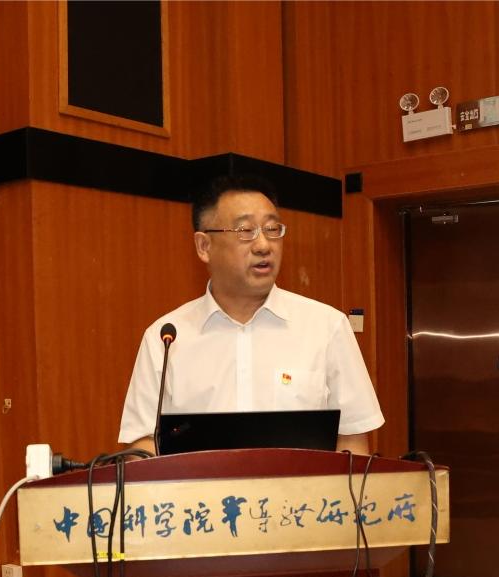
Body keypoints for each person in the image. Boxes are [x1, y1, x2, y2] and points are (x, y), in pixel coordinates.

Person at [118, 174, 384, 454]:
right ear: (204, 246)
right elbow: (143, 444)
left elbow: (352, 441)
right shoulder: (166, 338)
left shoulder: (327, 327)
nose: (263, 245)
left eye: (272, 229)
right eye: (245, 231)